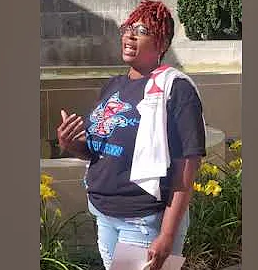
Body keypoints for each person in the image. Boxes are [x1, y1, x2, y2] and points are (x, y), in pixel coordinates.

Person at [56, 1, 206, 269]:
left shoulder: (176, 90)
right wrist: (71, 144)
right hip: (104, 214)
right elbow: (98, 151)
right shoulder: (114, 86)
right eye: (128, 28)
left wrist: (167, 235)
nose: (129, 34)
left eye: (142, 30)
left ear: (161, 44)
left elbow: (187, 166)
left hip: (144, 219)